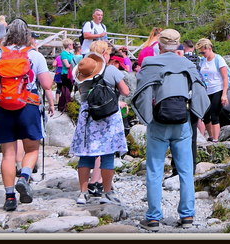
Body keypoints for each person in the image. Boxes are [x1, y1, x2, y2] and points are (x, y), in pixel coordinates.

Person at [133, 29, 209, 231]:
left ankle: (153, 218)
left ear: (159, 44)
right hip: (182, 121)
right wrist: (194, 114)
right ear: (178, 45)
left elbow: (141, 92)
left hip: (158, 122)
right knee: (185, 171)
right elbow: (202, 91)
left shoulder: (150, 63)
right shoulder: (188, 64)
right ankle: (187, 216)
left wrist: (148, 118)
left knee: (155, 170)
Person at [0, 18, 55, 212]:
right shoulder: (34, 56)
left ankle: (10, 197)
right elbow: (46, 85)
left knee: (8, 154)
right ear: (27, 34)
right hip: (28, 106)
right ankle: (24, 177)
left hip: (3, 106)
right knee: (32, 149)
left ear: (7, 33)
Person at [70, 41, 130, 205]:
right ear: (104, 53)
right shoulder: (111, 70)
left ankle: (83, 193)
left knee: (86, 155)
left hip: (88, 116)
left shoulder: (82, 70)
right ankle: (107, 192)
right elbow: (125, 91)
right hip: (108, 116)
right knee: (107, 156)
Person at [195, 38, 230, 142]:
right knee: (205, 115)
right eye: (200, 52)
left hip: (217, 89)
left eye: (203, 52)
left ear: (209, 48)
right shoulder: (203, 61)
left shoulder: (218, 59)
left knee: (214, 114)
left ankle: (216, 138)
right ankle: (210, 136)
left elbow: (225, 77)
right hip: (206, 90)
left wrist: (224, 94)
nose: (202, 54)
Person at [56, 38, 76, 112]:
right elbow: (67, 65)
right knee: (65, 90)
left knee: (70, 89)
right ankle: (63, 106)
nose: (73, 46)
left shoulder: (71, 54)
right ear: (69, 45)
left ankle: (66, 105)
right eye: (71, 44)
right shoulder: (64, 54)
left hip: (70, 73)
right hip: (65, 73)